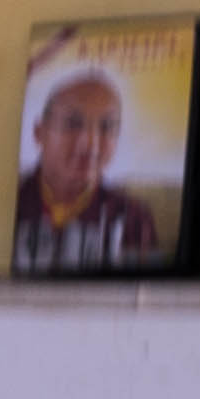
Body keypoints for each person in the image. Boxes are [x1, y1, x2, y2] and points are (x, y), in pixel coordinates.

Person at [14, 65, 171, 271]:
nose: (90, 145)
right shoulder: (11, 204)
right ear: (39, 132)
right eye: (73, 123)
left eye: (107, 127)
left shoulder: (133, 217)